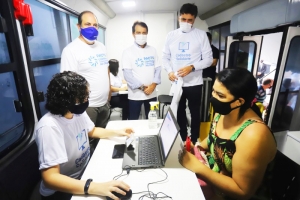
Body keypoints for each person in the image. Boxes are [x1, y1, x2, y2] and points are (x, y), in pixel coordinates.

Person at [178, 68, 277, 200]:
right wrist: (197, 148)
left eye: (220, 95)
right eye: (214, 91)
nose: (213, 98)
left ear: (240, 101)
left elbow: (243, 191)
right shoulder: (223, 113)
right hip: (215, 186)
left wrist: (198, 168)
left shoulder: (254, 135)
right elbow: (213, 139)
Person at [35, 71, 133, 200]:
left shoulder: (76, 113)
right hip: (63, 190)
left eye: (87, 96)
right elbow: (51, 178)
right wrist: (95, 187)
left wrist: (118, 132)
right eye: (83, 97)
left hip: (85, 172)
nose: (87, 100)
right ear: (66, 100)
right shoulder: (49, 127)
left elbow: (91, 131)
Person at [162, 3, 213, 144]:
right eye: (183, 19)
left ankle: (195, 139)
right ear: (179, 17)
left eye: (190, 20)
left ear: (194, 19)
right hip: (177, 82)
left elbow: (208, 60)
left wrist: (192, 67)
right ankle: (183, 138)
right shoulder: (171, 36)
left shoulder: (201, 35)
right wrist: (169, 71)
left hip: (195, 82)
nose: (186, 23)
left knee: (195, 111)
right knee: (179, 111)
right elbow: (165, 57)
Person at [60, 11, 111, 150]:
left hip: (104, 103)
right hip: (87, 107)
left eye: (95, 25)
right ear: (78, 26)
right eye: (87, 24)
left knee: (103, 140)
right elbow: (67, 82)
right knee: (88, 143)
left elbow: (106, 70)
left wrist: (109, 93)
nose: (92, 28)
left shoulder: (101, 47)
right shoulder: (71, 50)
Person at [122, 21, 161, 120]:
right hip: (135, 95)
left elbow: (158, 69)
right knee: (133, 121)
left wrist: (153, 86)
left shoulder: (152, 50)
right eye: (138, 33)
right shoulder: (127, 51)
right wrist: (143, 88)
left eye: (144, 33)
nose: (141, 35)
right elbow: (128, 75)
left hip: (152, 94)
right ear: (133, 34)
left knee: (153, 120)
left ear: (147, 34)